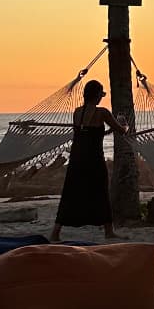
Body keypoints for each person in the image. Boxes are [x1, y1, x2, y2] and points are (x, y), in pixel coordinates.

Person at [51, 78, 124, 241]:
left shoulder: (77, 112)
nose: (101, 98)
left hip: (76, 160)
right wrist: (122, 123)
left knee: (70, 194)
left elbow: (85, 133)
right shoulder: (102, 112)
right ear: (97, 95)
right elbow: (122, 131)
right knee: (101, 192)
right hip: (94, 160)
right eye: (100, 95)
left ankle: (55, 232)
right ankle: (108, 231)